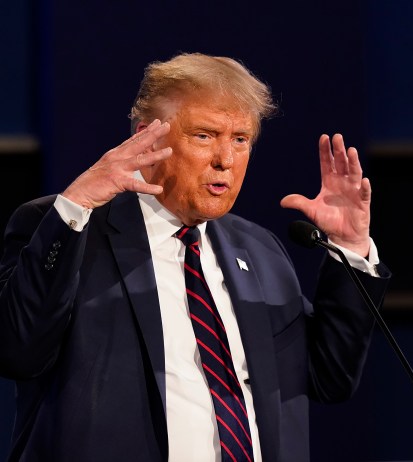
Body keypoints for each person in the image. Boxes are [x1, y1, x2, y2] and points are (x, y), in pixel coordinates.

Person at [0, 52, 389, 461]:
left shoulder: (259, 250)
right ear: (146, 136)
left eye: (240, 139)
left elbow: (330, 377)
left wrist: (349, 248)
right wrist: (74, 206)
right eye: (204, 135)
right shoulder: (69, 226)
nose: (225, 159)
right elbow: (17, 350)